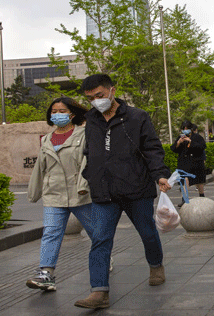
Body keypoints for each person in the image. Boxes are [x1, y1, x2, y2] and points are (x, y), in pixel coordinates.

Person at [75, 74, 171, 310]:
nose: (96, 101)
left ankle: (156, 264)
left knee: (147, 232)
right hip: (104, 191)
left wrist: (159, 174)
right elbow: (90, 151)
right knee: (100, 239)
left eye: (99, 95)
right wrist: (90, 175)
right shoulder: (91, 120)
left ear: (111, 90)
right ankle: (99, 291)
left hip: (136, 187)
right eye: (90, 98)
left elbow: (152, 148)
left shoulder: (137, 117)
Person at [26, 97, 91, 292]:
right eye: (53, 111)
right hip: (54, 194)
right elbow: (40, 168)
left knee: (96, 232)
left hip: (80, 193)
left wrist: (83, 185)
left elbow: (88, 163)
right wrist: (34, 192)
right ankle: (46, 274)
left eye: (61, 111)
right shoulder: (46, 139)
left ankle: (103, 257)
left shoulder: (84, 134)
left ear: (72, 114)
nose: (57, 114)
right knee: (51, 233)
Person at [171, 121, 207, 206]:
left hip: (196, 162)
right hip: (184, 163)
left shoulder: (197, 137)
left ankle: (202, 195)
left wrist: (190, 141)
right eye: (183, 129)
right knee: (185, 180)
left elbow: (201, 147)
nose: (185, 130)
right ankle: (184, 198)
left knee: (199, 181)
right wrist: (179, 142)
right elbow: (174, 149)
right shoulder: (180, 137)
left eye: (187, 129)